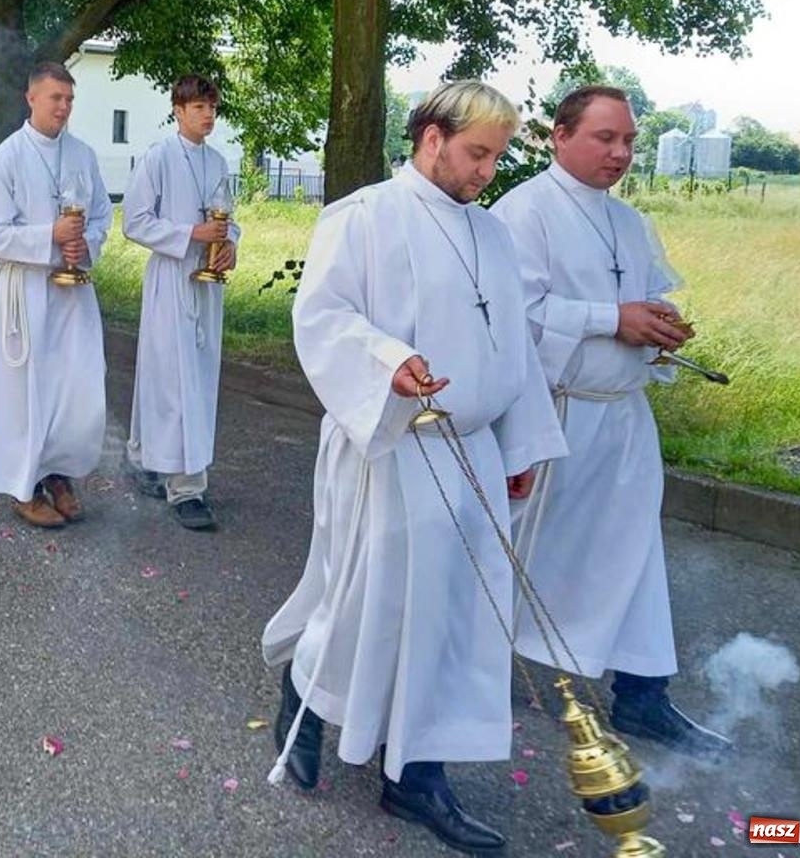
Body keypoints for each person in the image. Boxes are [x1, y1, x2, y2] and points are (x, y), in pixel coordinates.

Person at [261, 81, 567, 855]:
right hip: (392, 445)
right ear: (431, 138)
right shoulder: (364, 218)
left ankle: (418, 776)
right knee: (372, 602)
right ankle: (304, 692)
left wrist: (521, 442)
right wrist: (391, 364)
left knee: (456, 615)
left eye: (497, 157)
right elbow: (324, 318)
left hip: (474, 453)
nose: (487, 171)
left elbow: (515, 348)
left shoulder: (493, 236)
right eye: (477, 153)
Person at [490, 85, 730, 759]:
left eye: (628, 140)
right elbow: (514, 319)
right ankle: (464, 665)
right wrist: (610, 319)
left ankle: (644, 696)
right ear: (559, 136)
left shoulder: (628, 221)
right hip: (554, 416)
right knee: (510, 550)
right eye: (605, 138)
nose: (621, 153)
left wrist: (656, 329)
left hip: (623, 418)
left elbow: (641, 302)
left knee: (636, 555)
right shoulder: (522, 213)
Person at [0, 61, 112, 529]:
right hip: (24, 294)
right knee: (24, 393)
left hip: (72, 292)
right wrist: (48, 235)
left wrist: (83, 243)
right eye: (56, 98)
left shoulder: (83, 155)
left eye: (70, 99)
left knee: (76, 387)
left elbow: (99, 218)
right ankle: (23, 485)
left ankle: (58, 473)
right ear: (31, 98)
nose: (64, 107)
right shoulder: (6, 158)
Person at [122, 74, 239, 531]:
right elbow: (134, 221)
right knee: (172, 378)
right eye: (198, 108)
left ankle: (143, 457)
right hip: (171, 277)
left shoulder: (217, 162)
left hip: (207, 284)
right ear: (178, 110)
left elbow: (230, 221)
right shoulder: (158, 158)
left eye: (212, 108)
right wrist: (189, 234)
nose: (208, 115)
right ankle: (186, 487)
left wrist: (229, 245)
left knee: (193, 377)